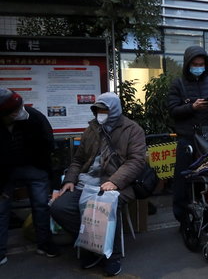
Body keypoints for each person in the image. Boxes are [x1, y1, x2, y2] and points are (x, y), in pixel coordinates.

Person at [50, 92, 146, 276]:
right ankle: (93, 246)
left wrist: (114, 181)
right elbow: (78, 160)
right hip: (86, 182)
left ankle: (112, 256)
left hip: (119, 182)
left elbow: (136, 161)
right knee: (58, 208)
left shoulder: (132, 130)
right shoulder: (92, 129)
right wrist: (70, 180)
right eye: (97, 110)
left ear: (115, 109)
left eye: (104, 110)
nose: (100, 113)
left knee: (107, 206)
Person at [167, 45, 208, 224]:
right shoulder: (178, 84)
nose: (199, 67)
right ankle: (184, 221)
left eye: (201, 64)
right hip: (186, 139)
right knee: (182, 180)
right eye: (195, 64)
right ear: (187, 64)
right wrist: (192, 107)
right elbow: (172, 110)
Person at [0, 88, 59, 266]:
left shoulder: (34, 117)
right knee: (1, 209)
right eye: (14, 111)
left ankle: (44, 244)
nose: (20, 112)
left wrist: (50, 177)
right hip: (4, 171)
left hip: (35, 167)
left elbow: (49, 145)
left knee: (41, 205)